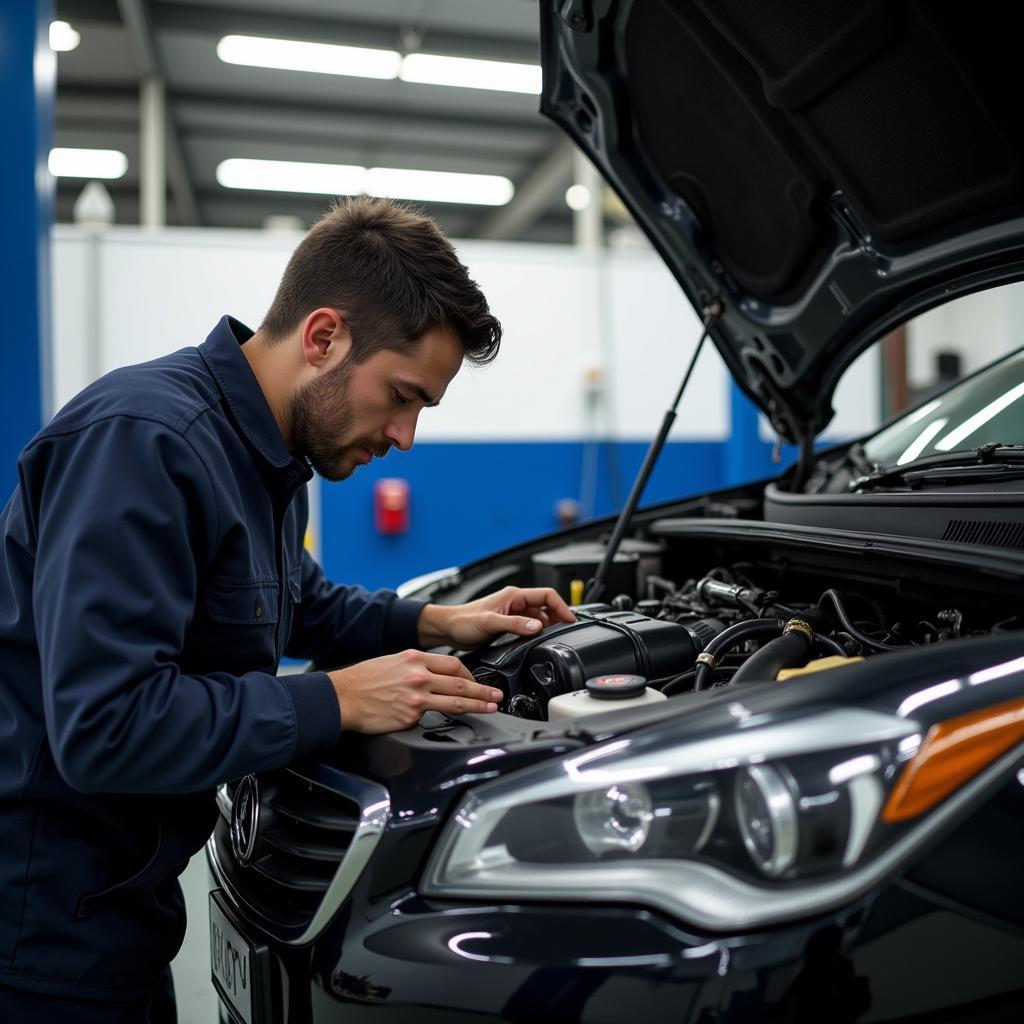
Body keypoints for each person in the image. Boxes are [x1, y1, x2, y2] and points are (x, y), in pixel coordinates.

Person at [0, 195, 575, 1021]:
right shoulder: (144, 441)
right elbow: (107, 725)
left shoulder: (269, 458)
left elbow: (291, 603)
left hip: (123, 911)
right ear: (324, 337)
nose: (406, 437)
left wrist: (438, 621)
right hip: (39, 933)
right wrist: (337, 698)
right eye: (403, 396)